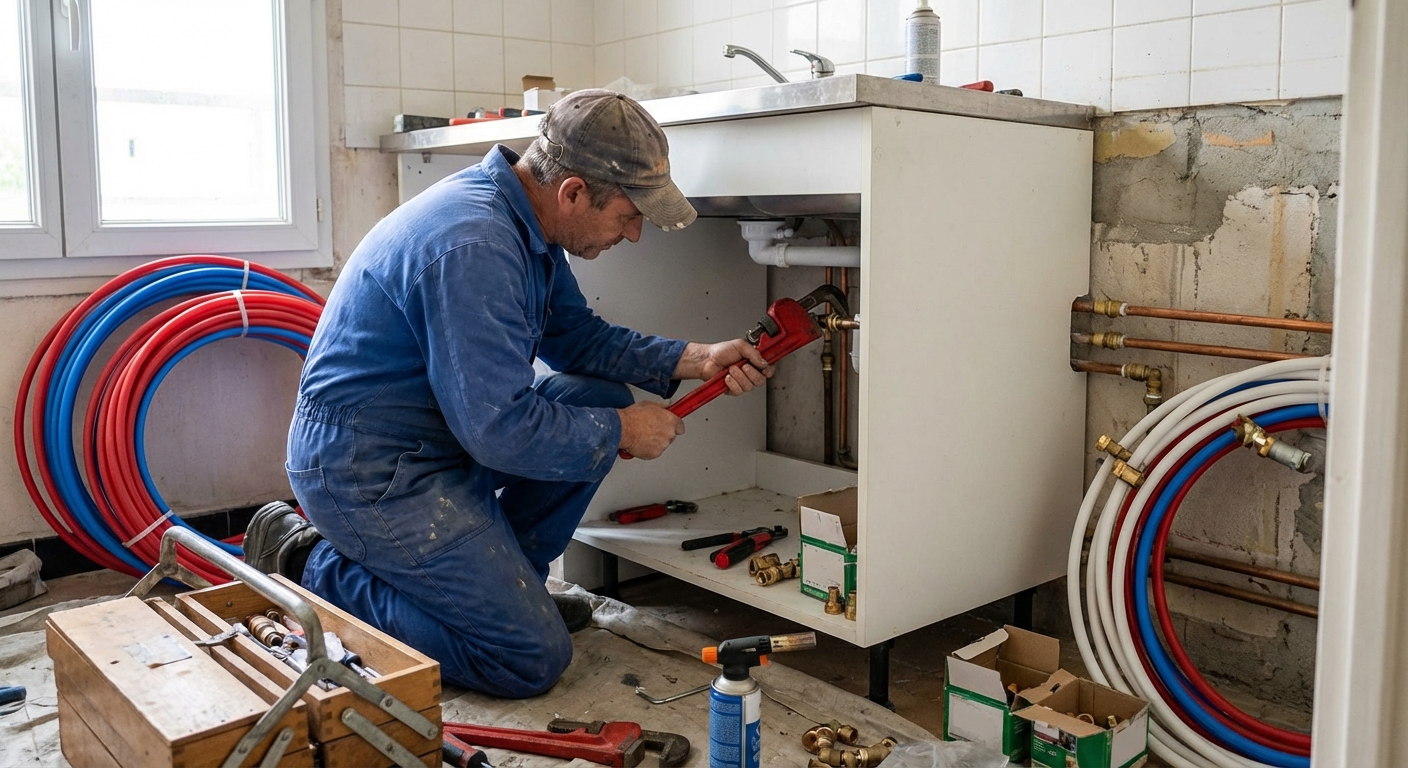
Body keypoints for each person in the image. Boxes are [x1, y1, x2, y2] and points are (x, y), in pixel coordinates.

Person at [244, 89, 773, 698]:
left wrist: (696, 359)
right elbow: (498, 429)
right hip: (370, 468)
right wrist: (623, 431)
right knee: (527, 658)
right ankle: (305, 559)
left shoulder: (524, 220)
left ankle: (509, 589)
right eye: (629, 214)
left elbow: (576, 338)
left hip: (431, 440)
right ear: (573, 191)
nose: (634, 235)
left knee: (594, 397)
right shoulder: (477, 246)